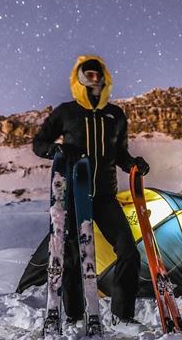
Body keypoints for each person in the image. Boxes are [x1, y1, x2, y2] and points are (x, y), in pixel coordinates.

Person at [32, 55, 149, 324]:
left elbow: (120, 153)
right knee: (73, 255)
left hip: (105, 197)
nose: (94, 78)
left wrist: (133, 164)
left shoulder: (115, 115)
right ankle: (74, 316)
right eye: (89, 74)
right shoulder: (66, 112)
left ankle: (123, 315)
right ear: (80, 78)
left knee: (128, 251)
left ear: (104, 77)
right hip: (74, 196)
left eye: (98, 74)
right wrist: (56, 149)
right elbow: (39, 143)